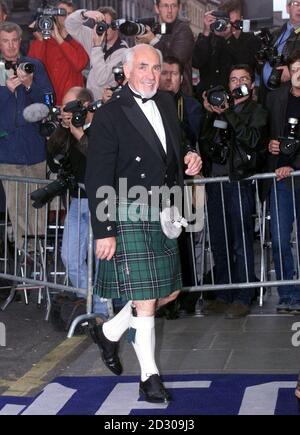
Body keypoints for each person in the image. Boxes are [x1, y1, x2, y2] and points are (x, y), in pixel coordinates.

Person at [85, 44, 201, 403]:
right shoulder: (109, 114)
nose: (152, 74)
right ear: (128, 70)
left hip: (163, 210)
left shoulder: (166, 102)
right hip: (126, 210)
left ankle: (109, 332)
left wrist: (189, 157)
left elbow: (170, 150)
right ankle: (149, 376)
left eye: (156, 68)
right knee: (147, 300)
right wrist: (104, 231)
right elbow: (97, 175)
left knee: (168, 292)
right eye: (144, 67)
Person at [199, 64, 268, 318]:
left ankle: (243, 295)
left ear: (251, 85)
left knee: (241, 240)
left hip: (239, 181)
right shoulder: (218, 111)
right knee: (220, 241)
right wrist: (209, 114)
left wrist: (230, 113)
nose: (237, 83)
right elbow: (205, 144)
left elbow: (252, 139)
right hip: (215, 183)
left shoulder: (256, 111)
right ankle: (223, 293)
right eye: (232, 79)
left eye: (243, 79)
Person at [47, 86, 108, 317]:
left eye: (68, 107)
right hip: (76, 201)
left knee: (102, 259)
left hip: (100, 201)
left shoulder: (103, 125)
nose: (63, 112)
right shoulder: (67, 130)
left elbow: (99, 159)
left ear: (83, 106)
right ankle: (94, 303)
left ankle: (103, 311)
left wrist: (79, 133)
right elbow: (55, 164)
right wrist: (55, 134)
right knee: (69, 258)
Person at [0, 21, 53, 251]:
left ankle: (40, 262)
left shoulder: (34, 66)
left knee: (38, 208)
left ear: (20, 41)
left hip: (34, 150)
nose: (11, 46)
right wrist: (6, 90)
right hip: (8, 153)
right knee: (17, 211)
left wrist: (30, 86)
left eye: (14, 40)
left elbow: (49, 102)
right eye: (5, 41)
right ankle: (25, 262)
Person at [262, 49, 300, 314]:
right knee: (278, 238)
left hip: (293, 173)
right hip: (280, 180)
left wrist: (292, 164)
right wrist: (270, 144)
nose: (299, 75)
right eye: (295, 69)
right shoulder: (276, 98)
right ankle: (288, 294)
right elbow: (263, 131)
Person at [192, 0, 260, 98]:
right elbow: (196, 62)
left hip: (238, 101)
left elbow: (247, 66)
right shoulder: (210, 39)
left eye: (235, 23)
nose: (231, 27)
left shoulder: (250, 40)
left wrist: (229, 39)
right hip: (210, 100)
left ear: (241, 19)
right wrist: (206, 31)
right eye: (227, 22)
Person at [28, 1, 88, 105]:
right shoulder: (44, 41)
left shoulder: (79, 39)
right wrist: (40, 40)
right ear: (54, 16)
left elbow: (79, 64)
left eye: (70, 14)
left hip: (72, 103)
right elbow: (34, 70)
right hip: (49, 102)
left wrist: (59, 38)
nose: (67, 18)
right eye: (62, 14)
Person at [65, 6, 128, 100]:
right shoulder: (94, 36)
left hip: (107, 104)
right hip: (91, 102)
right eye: (100, 24)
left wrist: (97, 46)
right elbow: (69, 24)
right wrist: (85, 14)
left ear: (115, 26)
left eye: (107, 25)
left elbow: (101, 79)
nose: (103, 29)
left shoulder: (123, 52)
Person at [136, 0, 194, 96]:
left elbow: (175, 61)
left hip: (177, 94)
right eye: (165, 6)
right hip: (153, 92)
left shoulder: (183, 29)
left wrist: (153, 40)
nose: (170, 10)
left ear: (178, 8)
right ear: (157, 8)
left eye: (173, 6)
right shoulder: (154, 27)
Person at [262, 0, 300, 94]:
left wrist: (292, 72)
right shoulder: (275, 33)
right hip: (267, 93)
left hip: (290, 93)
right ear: (287, 8)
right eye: (296, 4)